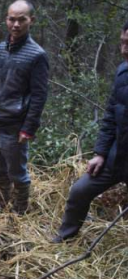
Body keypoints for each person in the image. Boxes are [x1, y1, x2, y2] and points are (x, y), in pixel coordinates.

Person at [52, 21, 128, 243]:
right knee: (79, 191)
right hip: (116, 158)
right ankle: (64, 240)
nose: (124, 50)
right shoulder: (122, 72)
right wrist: (100, 154)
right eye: (123, 43)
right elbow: (110, 118)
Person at [0, 0, 49, 214]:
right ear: (6, 19)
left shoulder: (37, 55)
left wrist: (28, 127)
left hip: (14, 126)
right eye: (12, 19)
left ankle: (20, 210)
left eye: (21, 19)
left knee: (17, 171)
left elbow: (39, 95)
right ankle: (0, 201)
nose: (16, 24)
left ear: (31, 21)